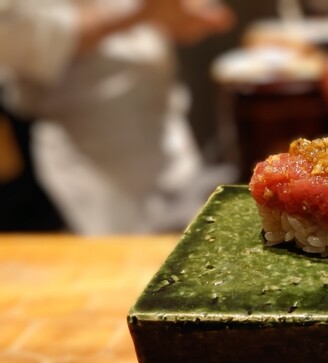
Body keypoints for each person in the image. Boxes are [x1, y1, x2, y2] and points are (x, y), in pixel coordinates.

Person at [0, 0, 236, 234]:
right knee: (126, 253)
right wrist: (138, 12)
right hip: (93, 158)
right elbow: (14, 35)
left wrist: (177, 16)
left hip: (167, 135)